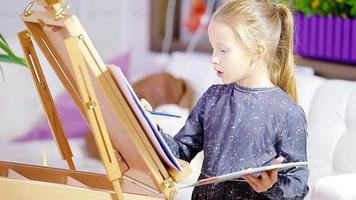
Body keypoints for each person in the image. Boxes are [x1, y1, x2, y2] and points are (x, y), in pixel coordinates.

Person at [142, 0, 309, 199]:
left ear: (257, 51)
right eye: (213, 48)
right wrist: (150, 127)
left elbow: (298, 186)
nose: (214, 58)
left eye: (223, 50)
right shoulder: (213, 98)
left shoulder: (287, 112)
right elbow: (180, 152)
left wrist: (271, 186)